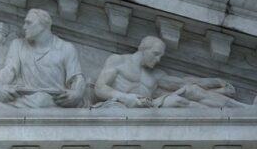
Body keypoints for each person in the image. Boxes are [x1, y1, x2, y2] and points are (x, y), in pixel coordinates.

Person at [94, 36, 247, 108]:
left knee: (191, 90)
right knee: (176, 101)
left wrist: (217, 83)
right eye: (156, 54)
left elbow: (186, 83)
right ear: (143, 48)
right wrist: (126, 98)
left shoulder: (155, 75)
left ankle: (241, 109)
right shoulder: (118, 60)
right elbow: (100, 87)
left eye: (161, 56)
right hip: (121, 106)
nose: (159, 60)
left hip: (150, 106)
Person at [0, 9, 85, 109]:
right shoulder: (18, 45)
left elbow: (76, 78)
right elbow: (9, 70)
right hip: (26, 101)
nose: (24, 27)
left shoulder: (66, 48)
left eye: (28, 23)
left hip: (56, 101)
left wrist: (77, 93)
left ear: (43, 25)